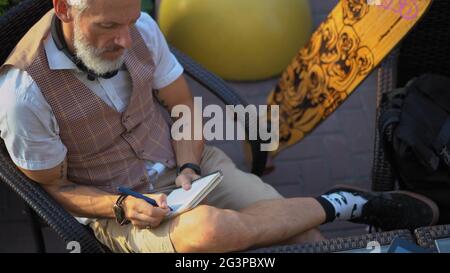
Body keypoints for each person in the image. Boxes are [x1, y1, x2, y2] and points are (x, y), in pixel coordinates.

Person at [0, 0, 439, 253]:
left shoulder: (140, 27)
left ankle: (343, 204)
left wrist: (189, 167)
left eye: (132, 21)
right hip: (118, 205)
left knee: (303, 236)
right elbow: (53, 187)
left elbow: (182, 109)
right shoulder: (23, 93)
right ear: (63, 9)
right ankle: (345, 202)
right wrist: (120, 207)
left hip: (191, 165)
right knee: (208, 231)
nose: (126, 40)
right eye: (109, 26)